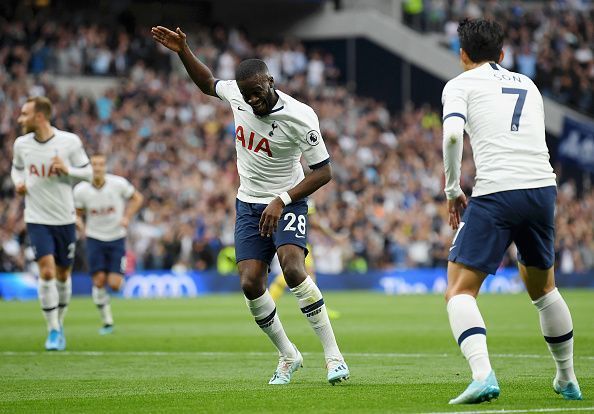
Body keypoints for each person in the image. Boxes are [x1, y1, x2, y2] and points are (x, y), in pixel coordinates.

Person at [151, 25, 349, 385]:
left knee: (292, 268)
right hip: (248, 204)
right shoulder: (239, 95)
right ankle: (288, 355)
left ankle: (334, 357)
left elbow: (324, 172)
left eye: (257, 93)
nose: (252, 101)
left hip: (287, 201)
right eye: (246, 96)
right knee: (250, 283)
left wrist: (283, 199)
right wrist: (183, 50)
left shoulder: (301, 117)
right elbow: (207, 82)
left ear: (270, 81)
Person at [441, 19, 582, 404]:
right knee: (544, 289)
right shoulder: (528, 84)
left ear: (462, 54)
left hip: (497, 191)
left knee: (458, 290)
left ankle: (482, 374)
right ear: (502, 54)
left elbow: (453, 134)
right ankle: (567, 377)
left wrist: (453, 189)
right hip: (541, 189)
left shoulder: (460, 84)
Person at [11, 96, 92, 351]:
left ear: (40, 117)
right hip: (36, 218)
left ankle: (60, 322)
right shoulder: (21, 144)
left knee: (62, 275)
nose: (19, 119)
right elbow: (16, 169)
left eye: (24, 114)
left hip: (64, 218)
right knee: (46, 272)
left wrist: (68, 170)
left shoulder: (69, 142)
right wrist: (18, 183)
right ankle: (53, 330)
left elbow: (89, 173)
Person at [74, 153, 143, 335]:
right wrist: (79, 222)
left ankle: (116, 284)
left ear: (105, 167)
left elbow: (137, 198)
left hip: (116, 237)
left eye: (101, 165)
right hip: (94, 238)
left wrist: (127, 217)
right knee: (98, 281)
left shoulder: (118, 184)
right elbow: (78, 212)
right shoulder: (81, 190)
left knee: (114, 284)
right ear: (90, 167)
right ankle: (107, 322)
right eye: (94, 164)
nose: (97, 168)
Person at [269, 200, 342, 320]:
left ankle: (319, 308)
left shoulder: (287, 192)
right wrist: (333, 236)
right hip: (297, 239)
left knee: (307, 274)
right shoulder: (305, 196)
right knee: (300, 272)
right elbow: (314, 222)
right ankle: (270, 300)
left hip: (289, 239)